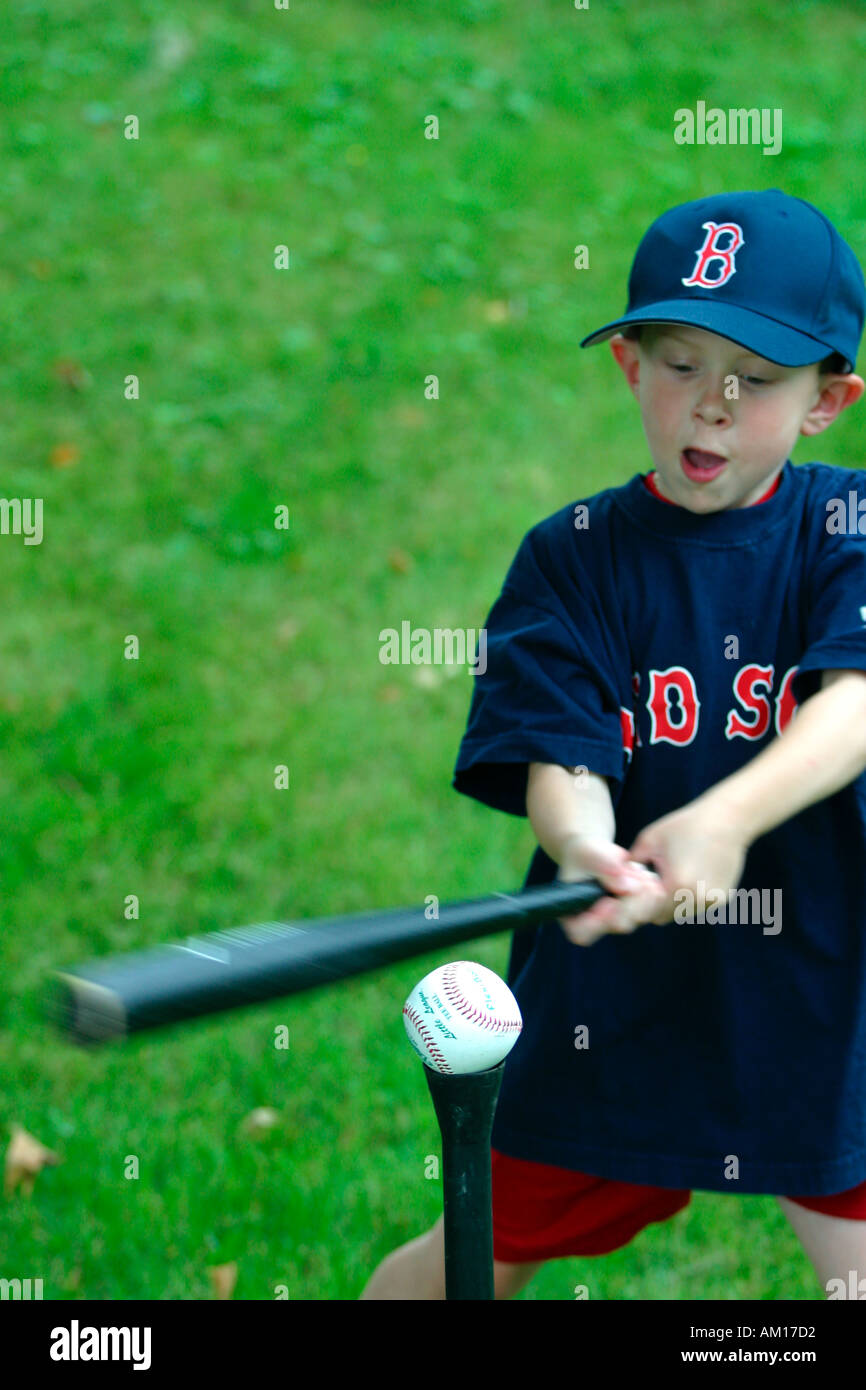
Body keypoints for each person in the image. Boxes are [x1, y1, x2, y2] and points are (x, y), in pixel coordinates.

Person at [361, 189, 866, 1300]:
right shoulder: (572, 558)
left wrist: (722, 818)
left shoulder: (847, 527)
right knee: (472, 1254)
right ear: (627, 364)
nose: (711, 409)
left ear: (829, 399)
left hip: (822, 991)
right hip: (619, 1000)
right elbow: (565, 755)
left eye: (758, 380)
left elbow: (854, 702)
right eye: (679, 363)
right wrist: (587, 848)